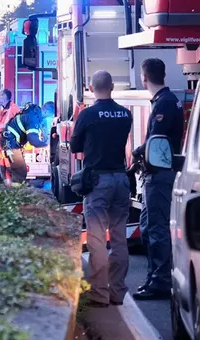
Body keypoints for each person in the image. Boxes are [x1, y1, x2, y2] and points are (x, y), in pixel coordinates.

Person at [70, 70, 133, 308]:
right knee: (119, 238)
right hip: (120, 179)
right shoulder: (125, 114)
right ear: (113, 86)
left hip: (98, 182)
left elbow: (75, 145)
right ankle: (117, 292)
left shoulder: (87, 115)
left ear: (90, 88)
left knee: (97, 239)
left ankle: (99, 293)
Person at [132, 58, 184, 300]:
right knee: (147, 226)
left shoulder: (164, 103)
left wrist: (137, 152)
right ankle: (154, 276)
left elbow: (156, 139)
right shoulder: (167, 100)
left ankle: (160, 281)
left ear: (144, 78)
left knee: (156, 229)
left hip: (160, 173)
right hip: (159, 171)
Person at [0, 103, 48, 186]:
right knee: (20, 171)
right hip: (11, 143)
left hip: (9, 142)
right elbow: (33, 140)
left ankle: (18, 191)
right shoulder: (32, 118)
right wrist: (46, 144)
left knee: (20, 171)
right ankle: (17, 194)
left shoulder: (27, 115)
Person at [0, 89, 21, 183]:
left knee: (10, 168)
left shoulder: (14, 109)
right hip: (1, 145)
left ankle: (14, 190)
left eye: (0, 95)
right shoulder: (3, 109)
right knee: (3, 170)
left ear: (5, 97)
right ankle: (8, 188)